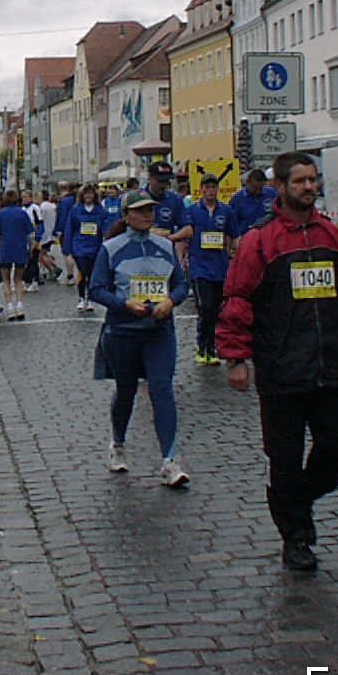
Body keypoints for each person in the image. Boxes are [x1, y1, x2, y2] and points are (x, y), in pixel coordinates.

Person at [217, 152, 338, 572]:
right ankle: (297, 536)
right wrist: (235, 358)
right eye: (300, 181)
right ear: (281, 187)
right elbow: (237, 300)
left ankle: (297, 500)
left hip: (328, 368)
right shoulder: (259, 240)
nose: (309, 187)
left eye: (313, 180)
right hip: (281, 370)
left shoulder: (331, 235)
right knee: (284, 460)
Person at [89, 189, 191, 487]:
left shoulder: (165, 246)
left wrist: (170, 302)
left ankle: (169, 460)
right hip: (122, 332)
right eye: (140, 210)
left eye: (151, 210)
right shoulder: (110, 248)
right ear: (126, 215)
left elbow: (182, 285)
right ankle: (118, 444)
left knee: (162, 390)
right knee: (127, 390)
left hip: (159, 332)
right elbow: (96, 289)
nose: (147, 215)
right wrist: (124, 305)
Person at [185, 173, 235, 365]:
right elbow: (187, 234)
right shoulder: (192, 211)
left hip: (219, 266)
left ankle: (212, 346)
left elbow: (231, 234)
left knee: (216, 309)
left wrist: (228, 253)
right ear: (201, 189)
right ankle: (202, 344)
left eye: (213, 187)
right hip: (199, 265)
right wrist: (182, 257)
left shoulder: (226, 211)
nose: (210, 191)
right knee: (204, 306)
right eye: (206, 187)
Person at [62, 184, 112, 313]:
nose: (88, 196)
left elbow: (105, 227)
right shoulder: (75, 209)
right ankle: (80, 298)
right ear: (82, 195)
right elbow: (70, 228)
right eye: (86, 194)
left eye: (91, 193)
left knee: (92, 273)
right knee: (82, 271)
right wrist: (67, 247)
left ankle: (90, 299)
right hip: (79, 246)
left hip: (95, 246)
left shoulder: (100, 210)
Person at [0, 189, 34, 320]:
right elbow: (29, 234)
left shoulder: (0, 213)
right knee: (19, 279)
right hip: (20, 248)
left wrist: (1, 244)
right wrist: (31, 248)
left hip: (5, 249)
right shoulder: (22, 213)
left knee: (5, 279)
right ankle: (20, 305)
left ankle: (10, 307)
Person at [228, 168, 277, 235]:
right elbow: (232, 222)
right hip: (245, 236)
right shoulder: (237, 198)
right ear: (247, 182)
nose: (258, 191)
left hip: (267, 235)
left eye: (260, 188)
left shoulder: (271, 193)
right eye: (254, 188)